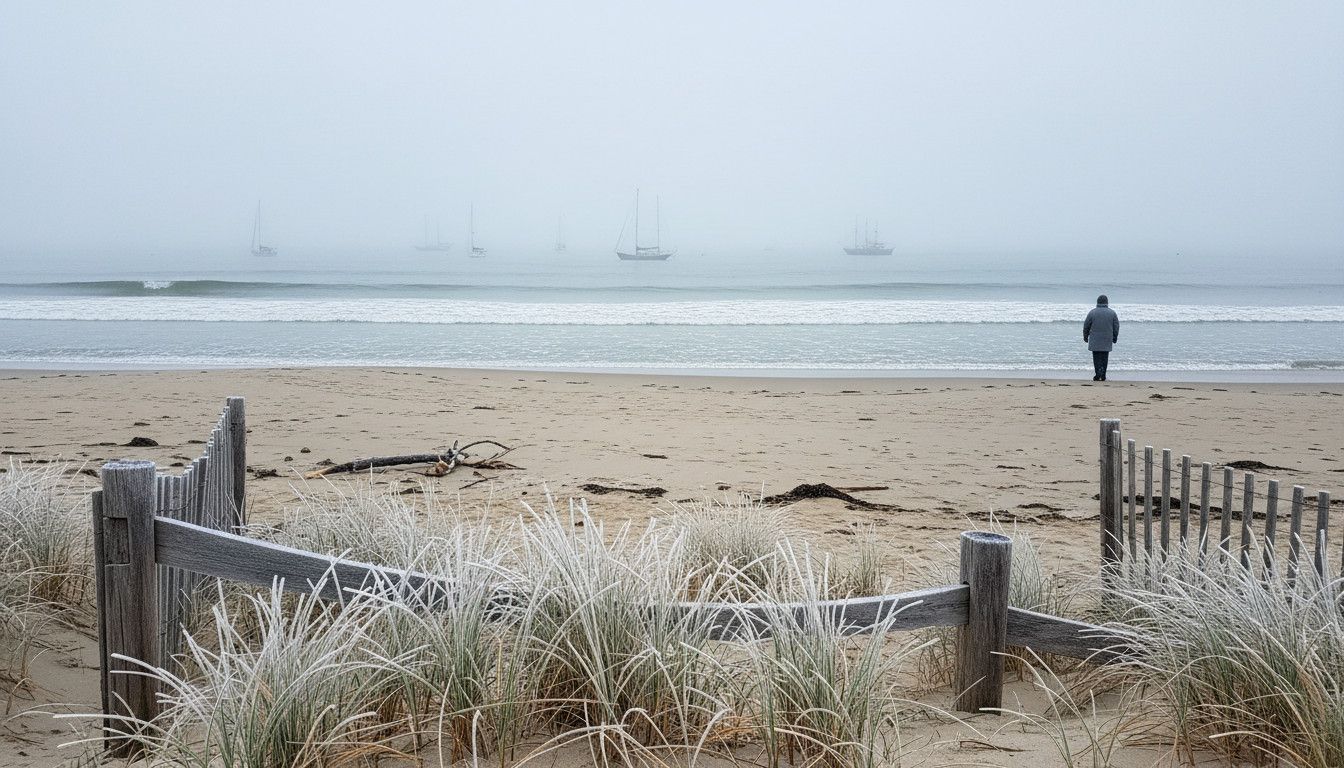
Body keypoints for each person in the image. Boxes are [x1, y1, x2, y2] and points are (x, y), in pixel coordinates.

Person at [1083, 295, 1118, 381]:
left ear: (1097, 302)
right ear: (1107, 302)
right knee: (1105, 357)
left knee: (1096, 357)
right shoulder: (1112, 313)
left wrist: (1085, 336)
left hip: (1095, 339)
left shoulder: (1092, 313)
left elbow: (1086, 326)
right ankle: (1103, 375)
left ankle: (1097, 374)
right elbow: (1116, 327)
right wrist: (1115, 337)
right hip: (1107, 338)